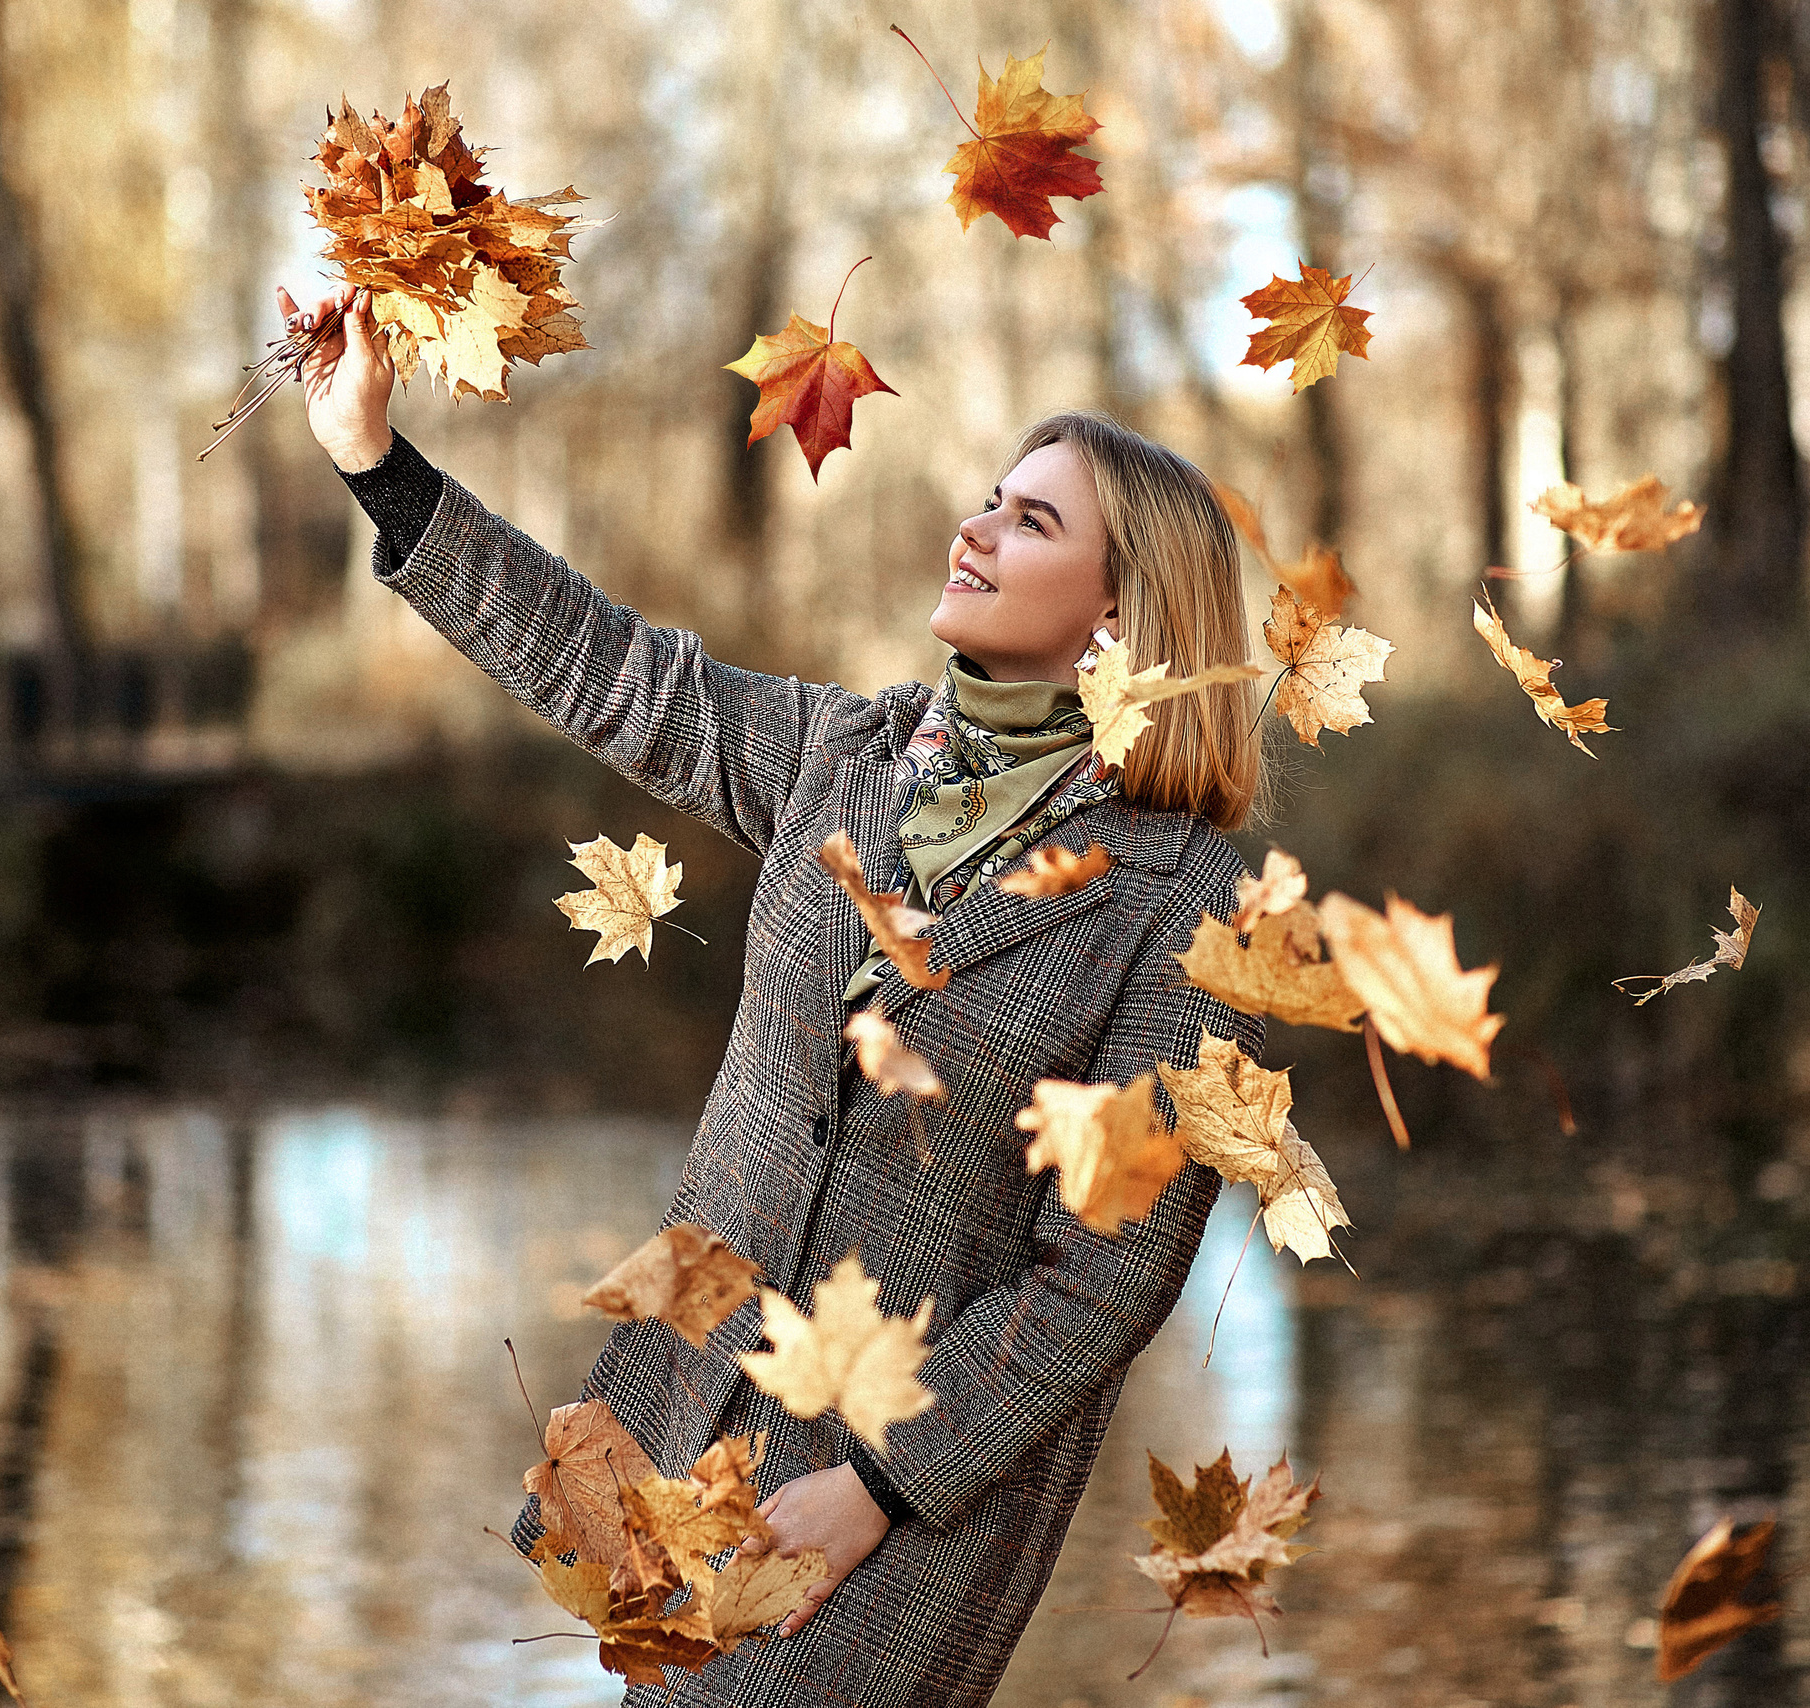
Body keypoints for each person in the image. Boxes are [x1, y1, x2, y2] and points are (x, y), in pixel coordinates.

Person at [282, 283, 1267, 1706]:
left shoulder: (1178, 906)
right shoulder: (844, 755)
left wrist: (879, 1482)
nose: (973, 528)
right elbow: (610, 669)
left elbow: (1102, 1283)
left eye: (1029, 521)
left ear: (1127, 614)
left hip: (892, 1521)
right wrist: (382, 465)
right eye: (989, 500)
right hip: (688, 1431)